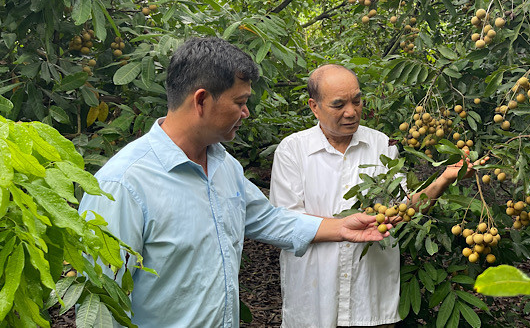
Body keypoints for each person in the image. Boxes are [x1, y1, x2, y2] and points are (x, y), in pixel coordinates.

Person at [78, 38, 390, 328]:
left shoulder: (224, 165)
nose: (246, 112)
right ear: (201, 101)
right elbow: (101, 301)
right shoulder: (122, 185)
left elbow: (268, 219)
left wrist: (342, 227)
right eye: (240, 101)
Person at [271, 64, 470, 328]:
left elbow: (402, 211)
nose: (351, 112)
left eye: (357, 100)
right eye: (339, 104)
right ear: (314, 106)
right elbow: (285, 225)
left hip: (370, 301)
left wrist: (443, 179)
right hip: (313, 302)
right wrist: (344, 228)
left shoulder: (381, 144)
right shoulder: (292, 150)